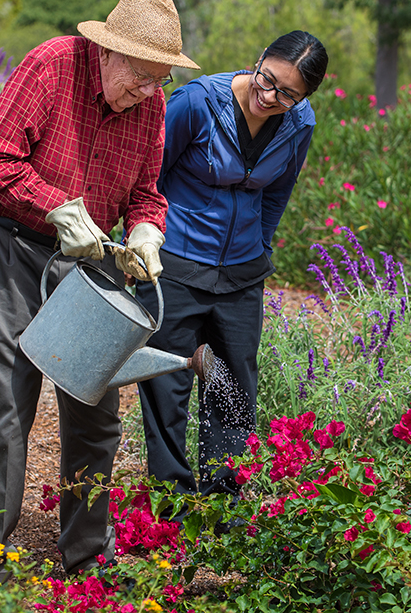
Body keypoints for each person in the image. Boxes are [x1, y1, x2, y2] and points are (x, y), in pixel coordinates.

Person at [0, 0, 199, 587]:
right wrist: (56, 210)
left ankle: (87, 559)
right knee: (6, 412)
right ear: (110, 53)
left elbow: (147, 191)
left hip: (90, 267)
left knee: (95, 414)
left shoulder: (148, 103)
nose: (151, 94)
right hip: (14, 249)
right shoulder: (51, 66)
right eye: (143, 79)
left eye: (160, 81)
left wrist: (147, 233)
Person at [135, 31, 328, 502]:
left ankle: (225, 506)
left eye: (288, 94)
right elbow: (148, 176)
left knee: (233, 390)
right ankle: (171, 509)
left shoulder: (299, 122)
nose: (270, 97)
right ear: (258, 59)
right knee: (168, 385)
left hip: (242, 275)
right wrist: (141, 244)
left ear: (304, 97)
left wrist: (260, 247)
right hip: (175, 266)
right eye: (267, 80)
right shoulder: (197, 102)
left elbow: (278, 192)